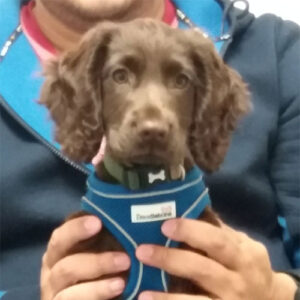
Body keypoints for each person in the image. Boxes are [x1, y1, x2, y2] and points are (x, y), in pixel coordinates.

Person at [0, 0, 299, 299]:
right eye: (120, 76)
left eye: (181, 81)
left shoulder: (277, 52)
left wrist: (279, 292)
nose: (152, 122)